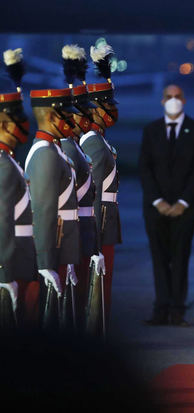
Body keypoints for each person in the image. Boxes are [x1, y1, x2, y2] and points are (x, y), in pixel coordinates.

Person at [139, 84, 194, 326]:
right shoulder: (151, 130)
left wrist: (182, 202)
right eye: (169, 97)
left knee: (180, 259)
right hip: (155, 208)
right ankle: (161, 308)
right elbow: (144, 169)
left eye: (178, 96)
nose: (173, 100)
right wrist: (157, 201)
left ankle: (177, 309)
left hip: (185, 209)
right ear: (162, 101)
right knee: (159, 259)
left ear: (184, 100)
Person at [25, 84, 81, 331]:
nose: (72, 118)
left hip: (58, 243)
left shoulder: (53, 150)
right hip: (47, 247)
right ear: (50, 116)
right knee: (38, 318)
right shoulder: (47, 154)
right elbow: (44, 209)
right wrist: (46, 262)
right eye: (66, 113)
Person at [60, 44, 104, 331]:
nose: (86, 119)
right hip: (66, 231)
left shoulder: (74, 147)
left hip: (84, 227)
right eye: (81, 114)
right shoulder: (62, 150)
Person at [80, 43, 122, 334]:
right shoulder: (93, 143)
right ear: (95, 110)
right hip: (99, 220)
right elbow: (93, 190)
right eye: (108, 105)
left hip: (107, 218)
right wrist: (94, 236)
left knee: (103, 289)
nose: (113, 110)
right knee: (95, 288)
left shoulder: (101, 140)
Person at [0, 48, 38, 330]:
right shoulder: (2, 165)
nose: (24, 126)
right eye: (17, 121)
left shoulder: (9, 160)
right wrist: (6, 271)